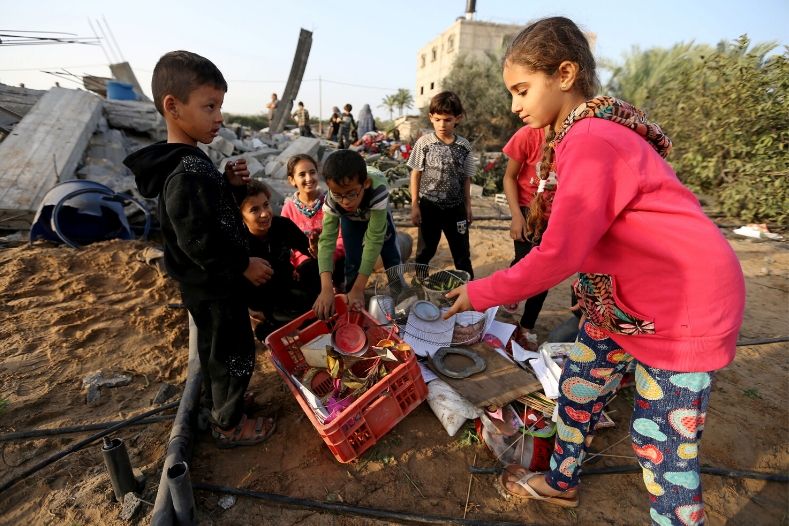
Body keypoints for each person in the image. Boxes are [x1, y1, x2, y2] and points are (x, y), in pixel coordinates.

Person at [443, 17, 745, 524]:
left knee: (661, 446)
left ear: (564, 74)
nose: (515, 105)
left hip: (682, 306)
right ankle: (561, 483)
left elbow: (559, 255)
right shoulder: (580, 136)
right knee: (580, 385)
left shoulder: (590, 140)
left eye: (521, 90)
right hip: (628, 305)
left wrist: (481, 293)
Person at [124, 50, 276, 448]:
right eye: (210, 106)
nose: (220, 116)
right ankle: (228, 424)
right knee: (232, 353)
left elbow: (209, 215)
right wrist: (243, 264)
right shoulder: (183, 173)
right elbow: (199, 241)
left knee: (218, 352)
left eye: (220, 106)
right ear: (172, 107)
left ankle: (222, 405)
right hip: (216, 287)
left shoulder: (193, 162)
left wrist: (228, 185)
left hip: (213, 286)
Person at [313, 149, 401, 319]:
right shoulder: (332, 200)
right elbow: (326, 241)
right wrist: (326, 288)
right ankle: (352, 298)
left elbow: (374, 240)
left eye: (351, 194)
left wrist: (361, 289)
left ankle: (399, 294)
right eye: (338, 195)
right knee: (352, 258)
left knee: (391, 256)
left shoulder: (377, 190)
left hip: (376, 212)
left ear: (365, 184)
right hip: (351, 219)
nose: (345, 201)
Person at [240, 180, 320, 340]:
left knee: (312, 268)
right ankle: (267, 326)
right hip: (264, 302)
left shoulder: (281, 225)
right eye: (254, 210)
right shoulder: (238, 242)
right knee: (297, 320)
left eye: (266, 205)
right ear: (241, 216)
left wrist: (316, 247)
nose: (264, 213)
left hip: (289, 287)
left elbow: (310, 251)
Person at [408, 91, 476, 278]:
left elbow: (466, 178)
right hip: (429, 207)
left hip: (456, 209)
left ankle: (469, 290)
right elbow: (416, 173)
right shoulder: (424, 143)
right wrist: (415, 205)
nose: (442, 125)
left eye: (447, 120)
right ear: (431, 118)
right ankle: (420, 284)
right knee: (425, 252)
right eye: (437, 119)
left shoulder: (464, 146)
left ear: (458, 119)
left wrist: (468, 206)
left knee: (462, 254)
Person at [502, 125, 554, 350]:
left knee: (544, 274)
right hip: (526, 211)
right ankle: (512, 288)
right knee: (523, 263)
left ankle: (527, 326)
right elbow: (509, 177)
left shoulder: (576, 139)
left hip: (557, 217)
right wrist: (516, 216)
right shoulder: (527, 135)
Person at [280, 153, 346, 291]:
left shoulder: (330, 203)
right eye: (302, 174)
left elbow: (341, 236)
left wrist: (328, 255)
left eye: (312, 172)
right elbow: (285, 245)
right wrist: (291, 266)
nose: (309, 178)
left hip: (332, 258)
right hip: (305, 265)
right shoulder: (289, 209)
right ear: (292, 180)